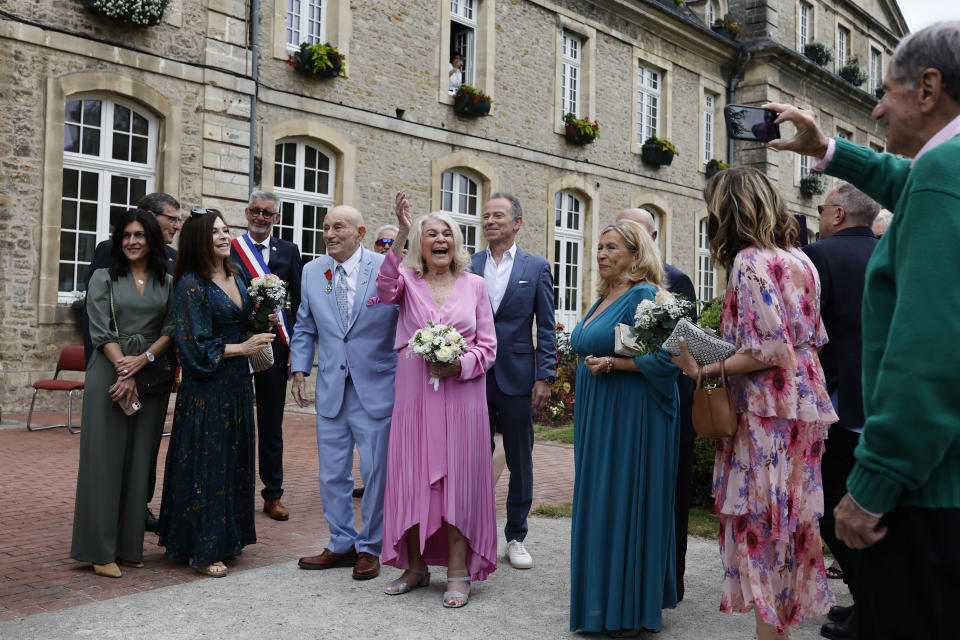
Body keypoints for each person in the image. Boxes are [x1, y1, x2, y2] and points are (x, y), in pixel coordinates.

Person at [765, 21, 960, 640]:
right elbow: (912, 182)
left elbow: (928, 357)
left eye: (886, 92)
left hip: (930, 494)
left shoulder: (945, 173)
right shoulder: (945, 174)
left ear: (928, 89)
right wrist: (828, 151)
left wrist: (872, 485)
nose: (875, 108)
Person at [670, 168, 837, 639]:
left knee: (762, 525)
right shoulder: (800, 259)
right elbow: (811, 341)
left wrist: (703, 367)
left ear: (729, 210)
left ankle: (769, 634)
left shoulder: (749, 261)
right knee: (788, 523)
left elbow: (769, 348)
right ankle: (776, 631)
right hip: (802, 404)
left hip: (767, 411)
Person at [377, 192, 497, 608]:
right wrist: (402, 233)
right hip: (414, 398)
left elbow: (488, 345)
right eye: (431, 234)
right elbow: (384, 288)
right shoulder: (407, 282)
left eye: (447, 233)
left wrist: (458, 365)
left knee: (458, 482)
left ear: (457, 242)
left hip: (462, 399)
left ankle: (460, 571)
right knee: (412, 478)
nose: (440, 239)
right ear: (421, 244)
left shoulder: (475, 285)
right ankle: (414, 566)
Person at [568, 219, 680, 636]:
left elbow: (669, 359)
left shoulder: (645, 295)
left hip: (632, 416)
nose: (601, 254)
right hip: (599, 413)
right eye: (599, 248)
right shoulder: (603, 296)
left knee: (621, 499)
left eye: (612, 248)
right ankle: (600, 602)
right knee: (598, 500)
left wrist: (616, 364)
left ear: (636, 255)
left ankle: (627, 608)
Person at [157, 210, 276, 578]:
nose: (224, 237)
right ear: (198, 241)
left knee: (234, 459)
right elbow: (192, 347)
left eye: (226, 230)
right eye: (215, 233)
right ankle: (203, 548)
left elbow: (241, 324)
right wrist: (243, 347)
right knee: (209, 463)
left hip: (237, 384)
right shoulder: (191, 284)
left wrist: (265, 314)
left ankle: (228, 537)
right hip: (207, 388)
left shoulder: (236, 275)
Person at [291, 205, 399, 581]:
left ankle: (371, 547)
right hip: (332, 388)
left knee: (375, 472)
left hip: (376, 387)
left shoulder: (384, 267)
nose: (329, 233)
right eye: (325, 227)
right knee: (331, 474)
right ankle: (340, 543)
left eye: (338, 226)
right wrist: (300, 368)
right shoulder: (311, 271)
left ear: (360, 232)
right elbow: (305, 324)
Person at [70, 209, 174, 578]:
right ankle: (98, 550)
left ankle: (130, 547)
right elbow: (99, 328)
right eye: (125, 235)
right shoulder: (103, 277)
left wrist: (142, 361)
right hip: (109, 374)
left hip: (150, 376)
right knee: (104, 461)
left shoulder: (167, 280)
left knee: (138, 461)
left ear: (152, 239)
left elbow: (171, 326)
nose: (131, 241)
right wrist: (123, 367)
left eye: (139, 235)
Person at [802, 183, 880, 640]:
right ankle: (868, 603)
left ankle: (872, 608)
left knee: (832, 508)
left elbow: (807, 330)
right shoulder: (890, 253)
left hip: (836, 403)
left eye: (821, 207)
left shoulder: (820, 257)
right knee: (869, 507)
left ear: (836, 214)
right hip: (883, 402)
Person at [470, 193, 556, 570]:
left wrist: (545, 375)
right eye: (486, 216)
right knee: (473, 455)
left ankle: (516, 535)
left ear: (517, 223)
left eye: (498, 216)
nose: (490, 221)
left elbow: (548, 327)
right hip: (473, 375)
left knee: (520, 459)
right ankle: (474, 530)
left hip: (518, 377)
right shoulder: (467, 264)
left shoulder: (536, 267)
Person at [617, 207, 697, 601]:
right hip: (624, 404)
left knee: (670, 501)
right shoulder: (612, 283)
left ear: (653, 235)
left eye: (633, 231)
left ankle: (670, 582)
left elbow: (683, 352)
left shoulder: (674, 280)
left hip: (666, 403)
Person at [230, 191, 302, 522]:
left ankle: (273, 494)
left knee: (271, 424)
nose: (260, 217)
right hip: (239, 346)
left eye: (267, 213)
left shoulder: (288, 251)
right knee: (236, 420)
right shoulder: (231, 249)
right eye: (256, 211)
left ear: (277, 218)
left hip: (276, 346)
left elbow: (299, 304)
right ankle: (234, 490)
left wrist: (296, 352)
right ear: (247, 212)